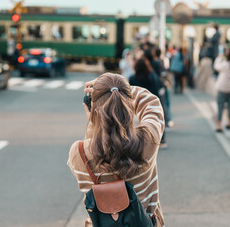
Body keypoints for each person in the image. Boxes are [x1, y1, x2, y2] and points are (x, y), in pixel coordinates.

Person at [68, 73, 165, 227]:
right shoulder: (148, 139)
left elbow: (94, 144)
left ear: (92, 108)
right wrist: (118, 89)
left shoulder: (78, 152)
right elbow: (152, 103)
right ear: (127, 103)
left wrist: (95, 120)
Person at [129, 59, 167, 148]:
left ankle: (138, 142)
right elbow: (157, 88)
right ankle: (161, 140)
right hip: (151, 102)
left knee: (138, 123)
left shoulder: (132, 78)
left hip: (137, 104)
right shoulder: (151, 76)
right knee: (155, 119)